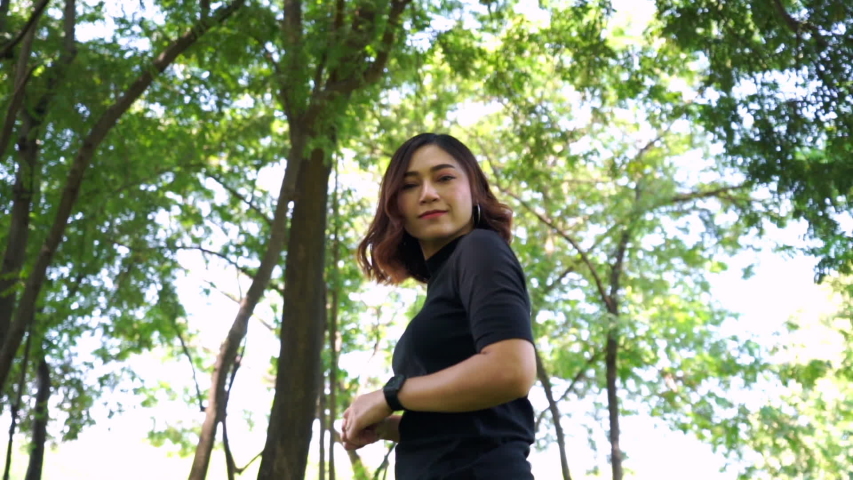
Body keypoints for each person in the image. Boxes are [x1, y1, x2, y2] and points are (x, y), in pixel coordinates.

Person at [342, 133, 537, 479]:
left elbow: (512, 370)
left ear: (474, 189)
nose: (428, 193)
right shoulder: (446, 281)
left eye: (444, 178)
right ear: (395, 205)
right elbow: (477, 425)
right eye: (409, 185)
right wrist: (388, 426)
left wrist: (390, 394)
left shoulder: (480, 248)